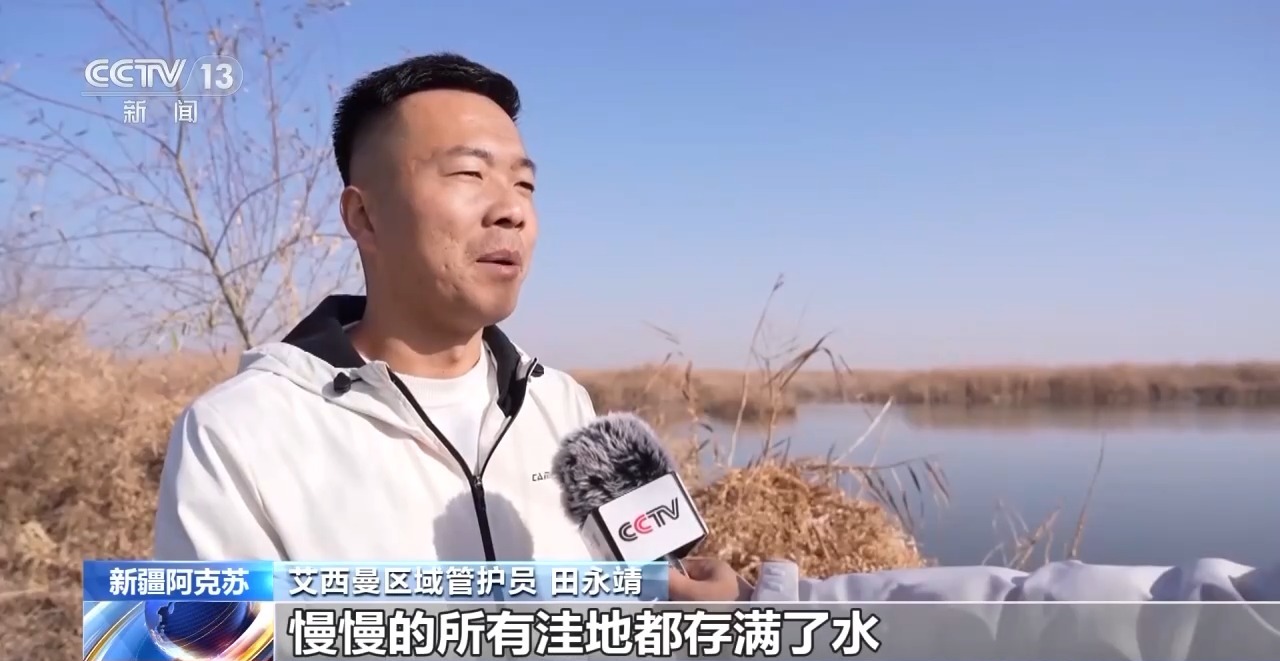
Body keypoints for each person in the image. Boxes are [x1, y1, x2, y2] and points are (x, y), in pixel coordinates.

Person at [153, 53, 599, 562]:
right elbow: (204, 618)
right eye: (470, 173)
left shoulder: (562, 405)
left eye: (525, 185)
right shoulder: (237, 433)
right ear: (364, 216)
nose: (513, 211)